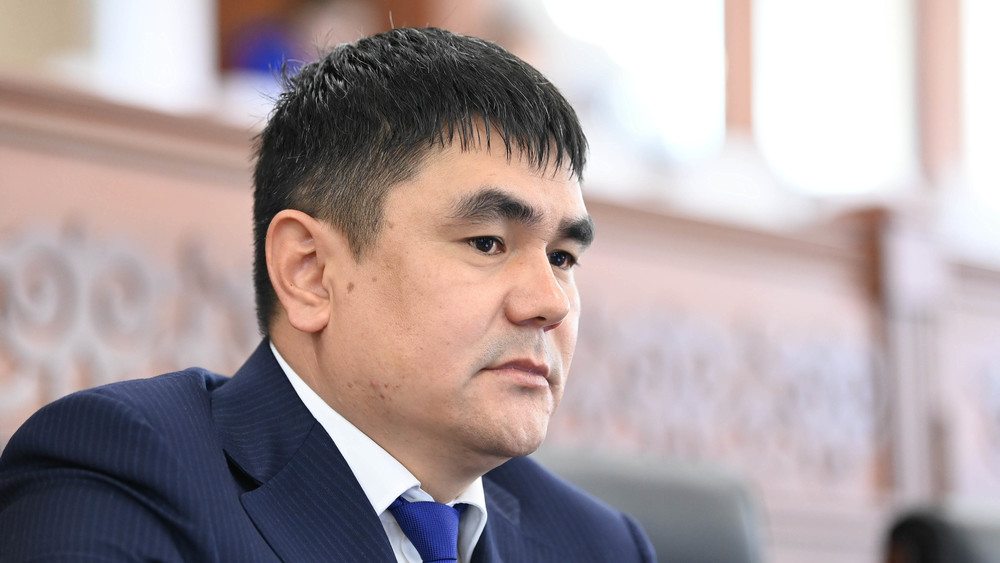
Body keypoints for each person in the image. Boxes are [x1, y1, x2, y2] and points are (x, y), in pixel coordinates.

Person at [0, 27, 655, 562]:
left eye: (563, 257)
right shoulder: (124, 474)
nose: (550, 302)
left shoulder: (599, 545)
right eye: (487, 242)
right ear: (309, 272)